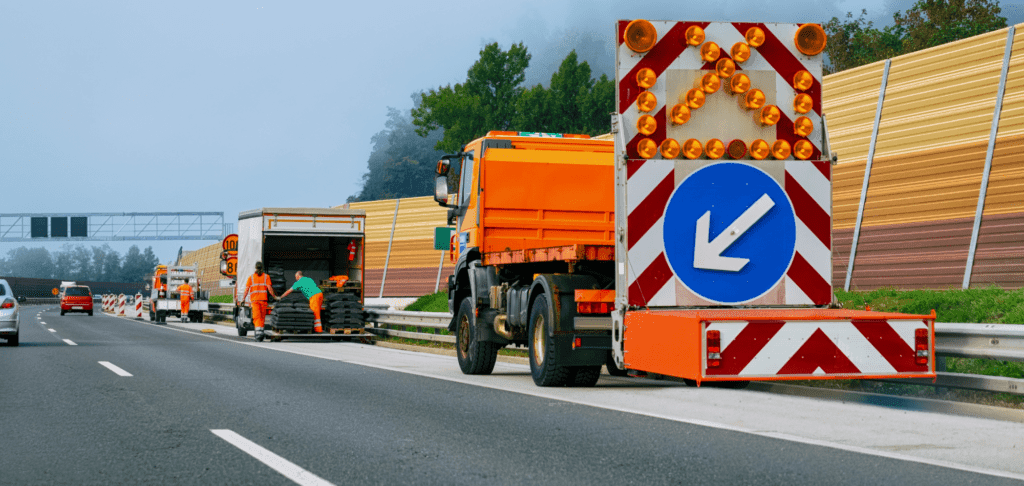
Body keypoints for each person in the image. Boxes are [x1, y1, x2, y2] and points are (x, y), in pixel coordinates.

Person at [238, 261, 278, 342]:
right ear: (262, 267)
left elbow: (246, 290)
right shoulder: (266, 276)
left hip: (255, 301)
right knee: (262, 318)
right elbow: (270, 288)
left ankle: (258, 334)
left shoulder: (251, 277)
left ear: (255, 268)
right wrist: (275, 297)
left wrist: (243, 299)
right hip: (263, 300)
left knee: (257, 317)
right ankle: (260, 333)